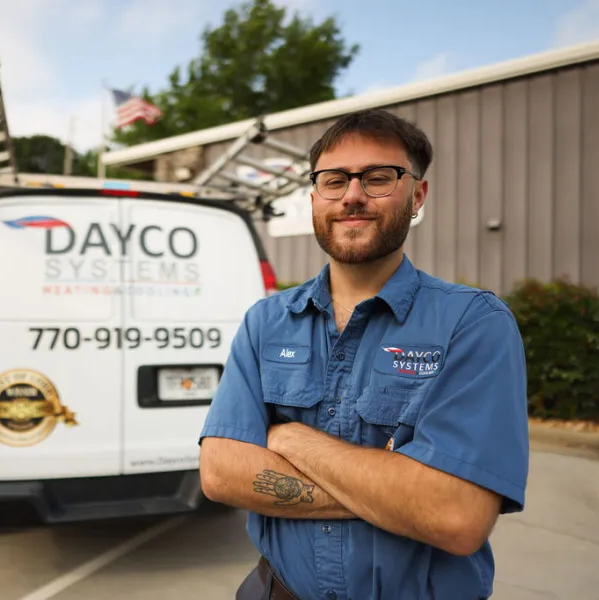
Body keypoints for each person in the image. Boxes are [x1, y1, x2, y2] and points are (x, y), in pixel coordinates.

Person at [198, 108, 530, 600]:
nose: (352, 195)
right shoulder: (265, 323)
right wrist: (398, 490)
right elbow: (221, 472)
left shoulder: (473, 324)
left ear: (417, 195)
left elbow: (456, 516)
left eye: (378, 178)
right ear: (315, 197)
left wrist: (291, 440)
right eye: (334, 180)